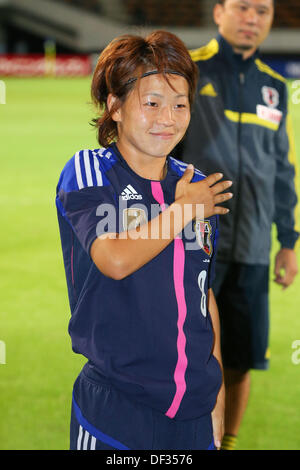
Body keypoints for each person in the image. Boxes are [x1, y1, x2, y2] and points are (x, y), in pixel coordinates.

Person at [56, 30, 234, 450]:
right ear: (115, 106)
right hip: (116, 413)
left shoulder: (194, 185)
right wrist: (183, 210)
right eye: (151, 103)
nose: (168, 118)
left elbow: (203, 296)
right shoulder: (91, 172)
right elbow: (113, 258)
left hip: (195, 412)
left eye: (179, 104)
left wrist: (219, 391)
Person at [175, 0, 299, 450]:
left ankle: (226, 444)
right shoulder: (187, 69)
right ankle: (178, 441)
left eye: (263, 12)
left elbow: (281, 167)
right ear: (219, 12)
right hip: (194, 240)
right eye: (243, 7)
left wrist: (288, 239)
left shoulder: (274, 86)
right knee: (185, 351)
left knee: (242, 357)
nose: (252, 19)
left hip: (251, 244)